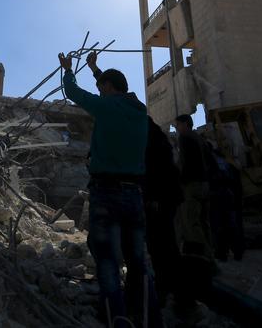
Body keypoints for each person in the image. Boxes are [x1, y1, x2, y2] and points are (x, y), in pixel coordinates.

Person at [60, 51, 159, 328]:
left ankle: (116, 318)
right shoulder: (139, 113)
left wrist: (68, 69)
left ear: (108, 88)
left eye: (101, 86)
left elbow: (73, 92)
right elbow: (110, 91)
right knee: (139, 261)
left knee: (107, 262)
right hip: (134, 195)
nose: (99, 90)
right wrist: (94, 68)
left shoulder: (106, 107)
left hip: (107, 193)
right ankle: (150, 317)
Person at [173, 114, 214, 322]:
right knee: (204, 223)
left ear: (185, 124)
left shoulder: (185, 138)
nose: (176, 127)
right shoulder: (201, 139)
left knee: (192, 224)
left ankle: (201, 264)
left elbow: (185, 163)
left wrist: (180, 181)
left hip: (192, 185)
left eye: (177, 124)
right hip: (205, 185)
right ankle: (210, 257)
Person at [143, 116, 183, 305]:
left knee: (159, 244)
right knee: (167, 242)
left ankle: (166, 287)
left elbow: (155, 173)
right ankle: (174, 287)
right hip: (168, 198)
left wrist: (153, 198)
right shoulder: (160, 140)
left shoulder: (151, 145)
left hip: (159, 199)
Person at [207, 141, 245, 262]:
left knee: (218, 225)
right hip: (229, 196)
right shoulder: (224, 161)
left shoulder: (208, 162)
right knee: (231, 224)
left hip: (216, 196)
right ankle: (237, 251)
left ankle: (222, 252)